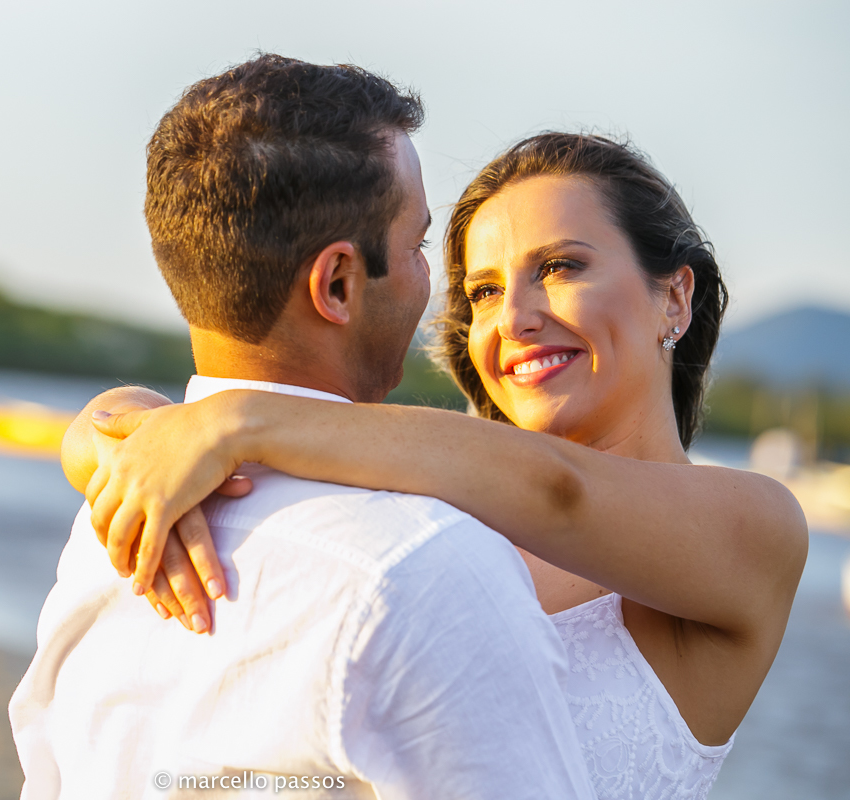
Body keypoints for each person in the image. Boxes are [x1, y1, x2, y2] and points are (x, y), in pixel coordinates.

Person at [67, 133, 809, 800]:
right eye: (484, 291)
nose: (513, 317)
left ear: (673, 296)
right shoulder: (434, 493)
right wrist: (114, 430)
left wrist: (232, 419)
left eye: (559, 267)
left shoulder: (755, 527)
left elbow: (561, 492)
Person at [10, 55, 598, 799]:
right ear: (339, 283)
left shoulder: (102, 533)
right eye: (418, 245)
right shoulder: (425, 570)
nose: (432, 281)